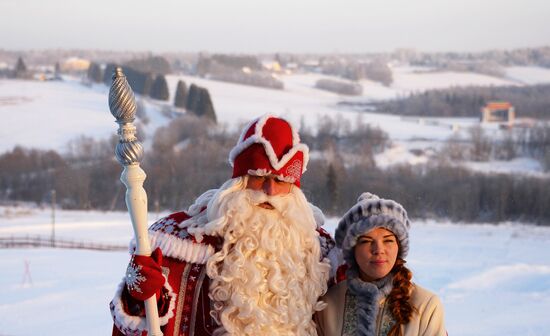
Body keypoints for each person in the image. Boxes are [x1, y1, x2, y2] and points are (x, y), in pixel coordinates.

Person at [110, 115, 338, 336]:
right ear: (238, 182)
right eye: (260, 177)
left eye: (280, 181)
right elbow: (141, 318)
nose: (270, 191)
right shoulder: (181, 241)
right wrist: (138, 295)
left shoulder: (318, 250)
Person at [315, 193, 446, 336]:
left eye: (388, 240)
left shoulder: (426, 305)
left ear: (399, 246)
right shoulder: (328, 304)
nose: (378, 250)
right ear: (352, 250)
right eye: (366, 241)